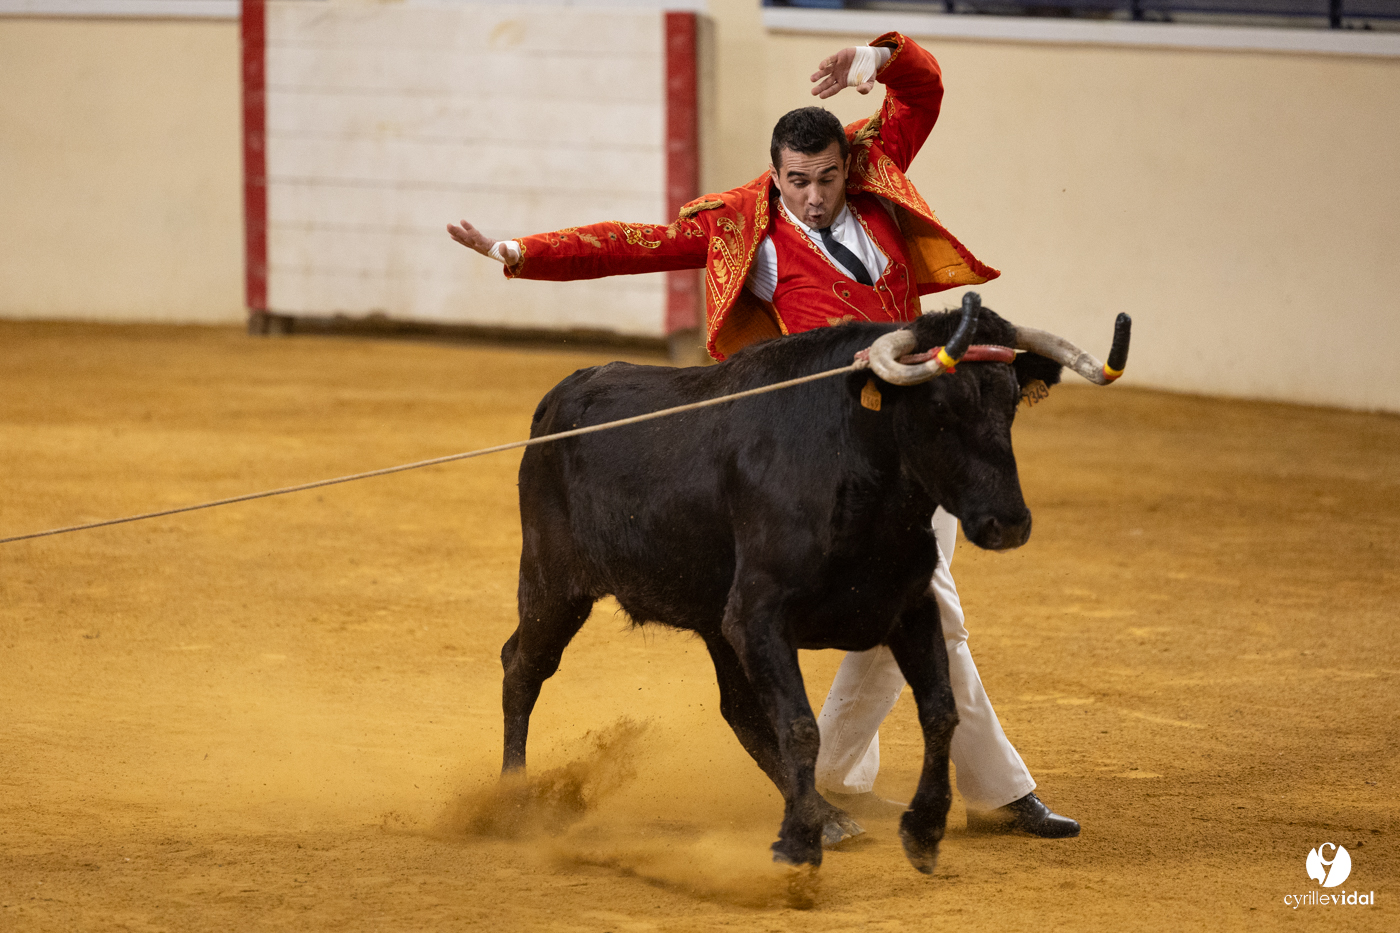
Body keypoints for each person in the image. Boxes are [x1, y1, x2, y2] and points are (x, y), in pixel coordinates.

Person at [447, 32, 1078, 840]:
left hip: (923, 436)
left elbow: (925, 94)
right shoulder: (746, 231)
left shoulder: (877, 177)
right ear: (775, 175)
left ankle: (834, 776)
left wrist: (879, 58)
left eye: (826, 178)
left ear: (846, 166)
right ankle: (997, 791)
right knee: (929, 610)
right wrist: (520, 252)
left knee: (902, 617)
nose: (813, 197)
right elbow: (635, 244)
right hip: (826, 459)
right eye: (797, 182)